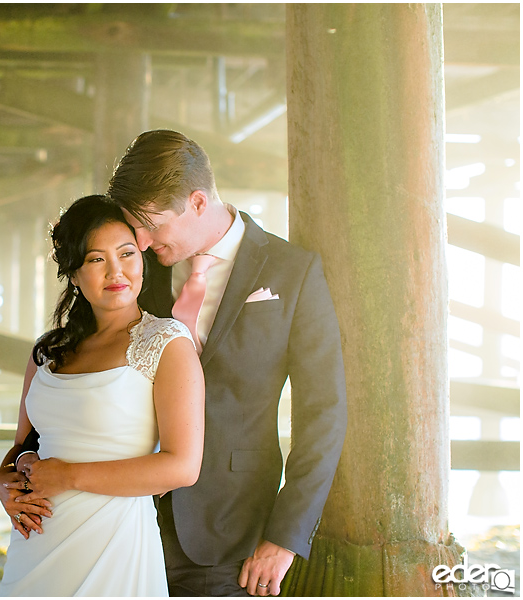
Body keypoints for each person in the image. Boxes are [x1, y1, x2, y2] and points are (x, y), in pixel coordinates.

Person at [106, 129, 348, 597]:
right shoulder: (136, 267)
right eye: (134, 225)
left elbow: (324, 411)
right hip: (123, 514)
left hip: (230, 531)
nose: (141, 239)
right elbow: (83, 364)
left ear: (198, 202)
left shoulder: (292, 272)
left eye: (153, 224)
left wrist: (286, 535)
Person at [0, 194, 205, 597]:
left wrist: (69, 476)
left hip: (114, 545)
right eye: (95, 259)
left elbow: (182, 467)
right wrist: (2, 485)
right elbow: (22, 446)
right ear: (73, 273)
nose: (116, 271)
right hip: (35, 544)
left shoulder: (166, 343)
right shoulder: (48, 351)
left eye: (126, 253)